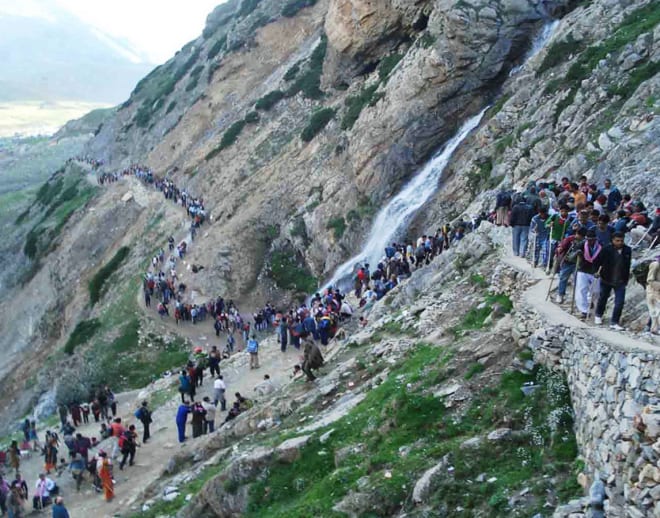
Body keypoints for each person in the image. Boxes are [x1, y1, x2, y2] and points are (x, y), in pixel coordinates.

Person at [594, 232, 631, 330]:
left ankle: (614, 322)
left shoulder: (627, 250)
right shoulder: (606, 249)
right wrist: (597, 272)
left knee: (620, 302)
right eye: (617, 241)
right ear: (612, 240)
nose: (620, 243)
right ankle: (598, 315)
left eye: (621, 240)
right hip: (607, 278)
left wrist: (626, 279)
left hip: (620, 280)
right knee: (603, 298)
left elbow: (627, 265)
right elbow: (597, 261)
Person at [575, 229, 602, 320]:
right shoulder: (581, 245)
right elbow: (573, 253)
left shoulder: (600, 247)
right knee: (581, 290)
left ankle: (591, 301)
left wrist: (601, 270)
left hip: (596, 271)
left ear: (595, 239)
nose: (590, 242)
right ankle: (584, 310)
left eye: (592, 240)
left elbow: (604, 259)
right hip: (583, 269)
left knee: (596, 291)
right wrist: (578, 253)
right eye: (588, 240)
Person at [555, 227, 587, 304]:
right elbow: (560, 247)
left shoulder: (585, 242)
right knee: (563, 278)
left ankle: (577, 298)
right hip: (567, 262)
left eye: (581, 236)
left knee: (578, 281)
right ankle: (560, 294)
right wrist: (559, 249)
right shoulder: (569, 239)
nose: (579, 237)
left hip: (578, 263)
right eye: (578, 235)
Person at [646, 256, 660, 334]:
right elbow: (650, 280)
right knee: (656, 311)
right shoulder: (655, 265)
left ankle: (653, 329)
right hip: (653, 291)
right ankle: (653, 329)